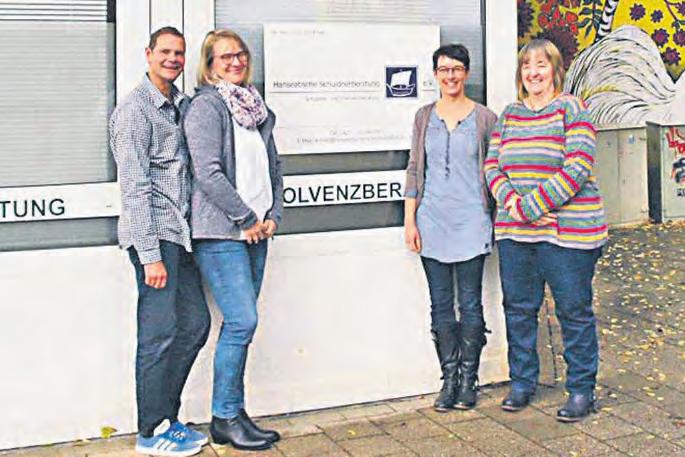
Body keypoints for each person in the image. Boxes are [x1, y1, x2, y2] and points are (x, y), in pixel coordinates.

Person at [484, 39, 608, 422]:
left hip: (568, 235)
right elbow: (492, 166)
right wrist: (515, 205)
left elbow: (578, 166)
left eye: (541, 64)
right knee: (519, 310)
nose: (533, 72)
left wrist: (532, 206)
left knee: (573, 311)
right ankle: (523, 382)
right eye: (526, 66)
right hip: (516, 234)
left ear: (555, 70)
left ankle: (581, 390)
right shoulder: (509, 115)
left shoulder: (573, 109)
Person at [109, 26, 210, 456]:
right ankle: (150, 431)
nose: (173, 59)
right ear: (148, 54)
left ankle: (167, 418)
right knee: (158, 335)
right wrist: (150, 256)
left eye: (179, 53)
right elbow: (134, 188)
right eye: (165, 51)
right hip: (155, 237)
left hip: (181, 236)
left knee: (195, 324)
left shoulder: (180, 106)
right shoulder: (134, 111)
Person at [184, 30, 283, 450]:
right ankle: (224, 417)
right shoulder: (206, 107)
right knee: (242, 321)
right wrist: (246, 217)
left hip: (257, 232)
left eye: (240, 54)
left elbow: (272, 167)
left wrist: (273, 215)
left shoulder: (256, 107)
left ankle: (234, 411)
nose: (235, 61)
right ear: (209, 65)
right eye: (225, 57)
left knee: (241, 324)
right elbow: (207, 173)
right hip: (223, 231)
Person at [404, 44, 498, 412]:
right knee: (441, 304)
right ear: (435, 74)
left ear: (467, 73)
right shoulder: (423, 117)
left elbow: (495, 170)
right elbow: (415, 169)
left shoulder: (485, 119)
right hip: (432, 222)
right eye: (444, 70)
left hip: (472, 221)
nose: (451, 76)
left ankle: (469, 379)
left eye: (457, 69)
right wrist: (410, 220)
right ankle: (449, 380)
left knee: (470, 303)